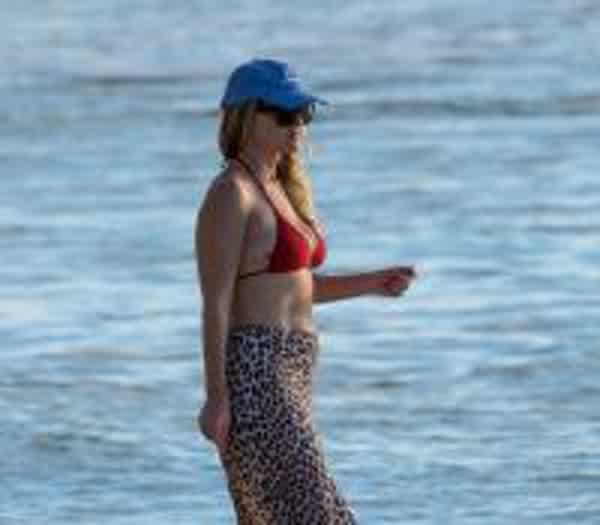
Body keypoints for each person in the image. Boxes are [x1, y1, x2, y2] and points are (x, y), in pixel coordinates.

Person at [195, 58, 417, 524]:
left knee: (293, 514)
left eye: (304, 113)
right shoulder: (232, 193)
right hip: (257, 372)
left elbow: (294, 288)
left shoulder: (280, 188)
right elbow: (216, 302)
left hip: (292, 371)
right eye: (284, 114)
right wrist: (216, 398)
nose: (297, 124)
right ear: (247, 117)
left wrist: (372, 283)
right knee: (317, 512)